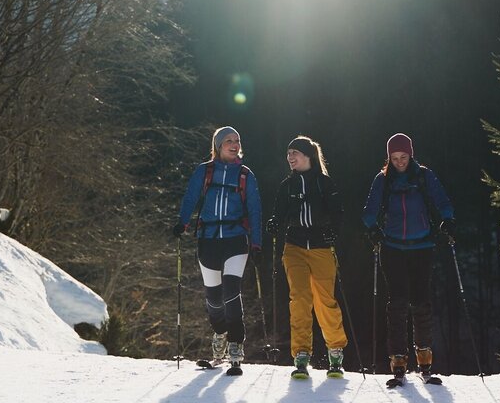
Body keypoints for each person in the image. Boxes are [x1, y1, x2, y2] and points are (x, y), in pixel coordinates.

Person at [362, 132, 455, 383]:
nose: (399, 162)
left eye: (403, 157)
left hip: (422, 246)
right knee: (398, 304)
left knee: (421, 302)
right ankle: (398, 362)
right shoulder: (383, 180)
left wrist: (448, 220)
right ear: (388, 158)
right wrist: (372, 229)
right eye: (394, 158)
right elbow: (369, 210)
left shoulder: (424, 176)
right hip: (392, 248)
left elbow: (442, 200)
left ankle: (425, 361)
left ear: (410, 155)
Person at [174, 126, 262, 371]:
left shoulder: (245, 174)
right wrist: (182, 223)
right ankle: (220, 333)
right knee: (213, 298)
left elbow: (255, 209)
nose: (234, 145)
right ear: (218, 145)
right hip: (208, 238)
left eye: (237, 140)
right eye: (228, 141)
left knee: (231, 291)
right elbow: (190, 197)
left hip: (236, 239)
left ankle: (236, 344)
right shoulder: (205, 171)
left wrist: (256, 242)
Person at [266, 136, 348, 378]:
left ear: (308, 156)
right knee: (299, 298)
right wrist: (274, 223)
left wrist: (335, 229)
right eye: (288, 153)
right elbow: (278, 213)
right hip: (295, 247)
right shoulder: (287, 186)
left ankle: (335, 351)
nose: (290, 157)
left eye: (295, 153)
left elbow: (338, 212)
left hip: (322, 248)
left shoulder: (324, 183)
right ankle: (301, 355)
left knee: (325, 301)